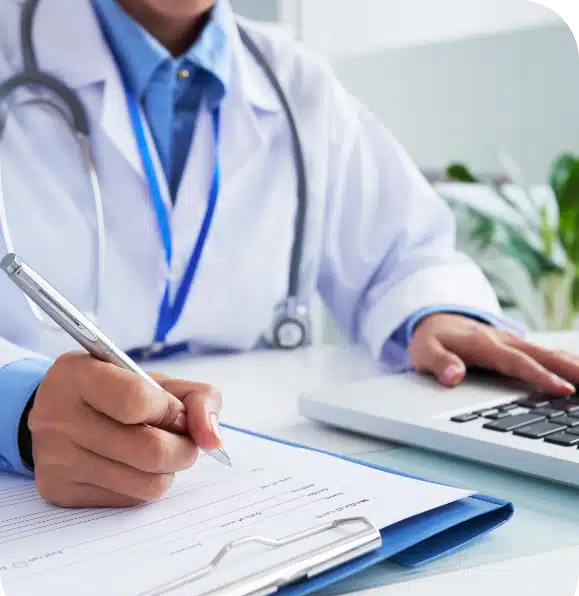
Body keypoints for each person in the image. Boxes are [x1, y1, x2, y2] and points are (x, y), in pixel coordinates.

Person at [0, 0, 578, 509]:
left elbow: (406, 257)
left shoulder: (296, 82)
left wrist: (434, 312)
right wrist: (17, 406)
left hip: (249, 475)